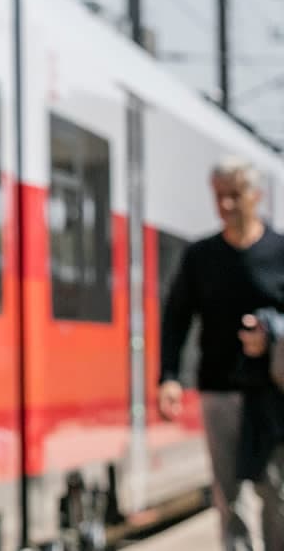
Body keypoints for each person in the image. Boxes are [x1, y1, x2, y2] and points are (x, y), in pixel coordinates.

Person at [159, 158, 284, 549]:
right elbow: (176, 317)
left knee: (277, 491)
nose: (226, 205)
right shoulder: (201, 257)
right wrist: (170, 375)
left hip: (275, 391)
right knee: (229, 496)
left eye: (235, 195)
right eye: (220, 196)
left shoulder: (279, 251)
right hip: (220, 389)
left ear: (256, 197)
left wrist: (272, 333)